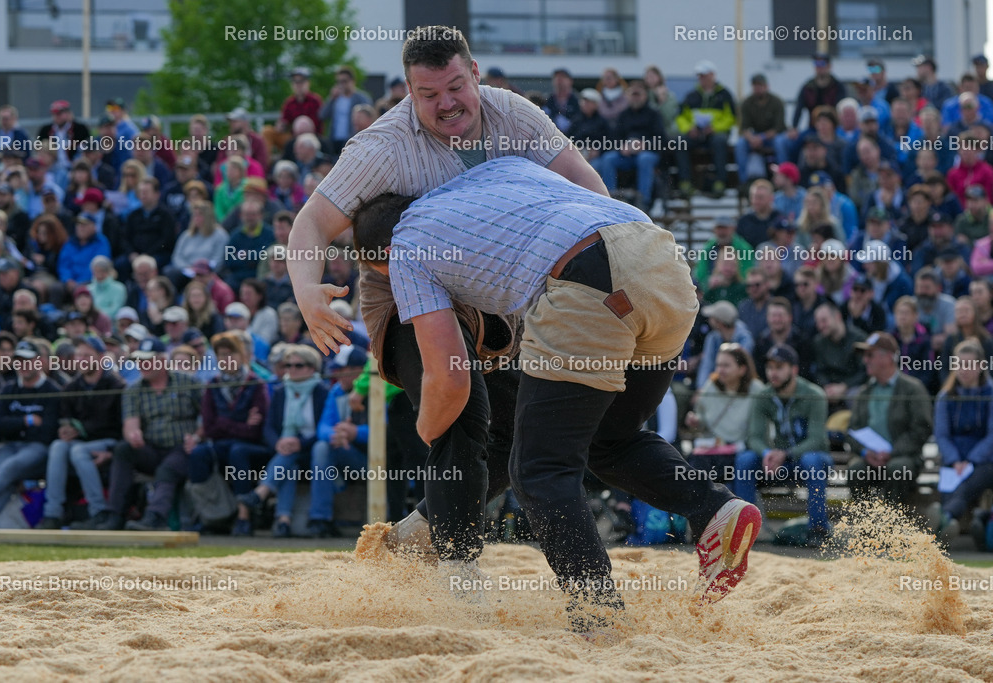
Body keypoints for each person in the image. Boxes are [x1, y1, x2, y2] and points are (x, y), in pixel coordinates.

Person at [350, 156, 760, 625]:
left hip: (590, 280)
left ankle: (598, 616)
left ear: (377, 259)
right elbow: (585, 182)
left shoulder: (403, 248)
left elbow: (449, 376)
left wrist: (430, 430)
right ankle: (714, 508)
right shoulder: (499, 170)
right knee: (611, 436)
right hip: (662, 262)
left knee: (540, 469)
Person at [288, 26, 607, 566]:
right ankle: (460, 574)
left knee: (528, 429)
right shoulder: (383, 146)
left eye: (455, 87)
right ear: (408, 93)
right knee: (458, 398)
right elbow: (311, 222)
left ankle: (425, 527)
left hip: (495, 295)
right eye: (428, 94)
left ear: (475, 73)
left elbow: (590, 191)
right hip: (404, 288)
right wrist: (307, 293)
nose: (446, 104)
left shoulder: (517, 116)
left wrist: (611, 262)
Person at [100, 338, 203, 530]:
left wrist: (198, 436)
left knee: (169, 468)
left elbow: (206, 416)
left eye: (147, 360)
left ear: (163, 360)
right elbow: (130, 422)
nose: (142, 365)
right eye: (139, 360)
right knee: (123, 449)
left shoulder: (189, 383)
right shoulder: (133, 389)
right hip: (151, 448)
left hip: (183, 447)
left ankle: (155, 517)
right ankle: (115, 514)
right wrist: (133, 434)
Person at [737, 344, 832, 546]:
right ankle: (745, 529)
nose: (773, 372)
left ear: (794, 370)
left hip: (811, 459)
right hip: (779, 462)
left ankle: (818, 529)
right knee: (745, 459)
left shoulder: (814, 395)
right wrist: (767, 453)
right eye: (770, 367)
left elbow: (816, 440)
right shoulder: (763, 395)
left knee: (811, 460)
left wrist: (786, 454)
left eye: (779, 367)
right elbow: (753, 437)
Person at [237, 344, 329, 538]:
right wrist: (278, 443)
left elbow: (323, 429)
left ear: (312, 368)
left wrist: (300, 443)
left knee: (290, 455)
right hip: (285, 450)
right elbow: (269, 427)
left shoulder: (322, 391)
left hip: (312, 451)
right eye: (288, 365)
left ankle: (261, 493)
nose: (291, 370)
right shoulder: (280, 391)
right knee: (289, 463)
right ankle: (283, 522)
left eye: (298, 365)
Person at [0, 340, 60, 528]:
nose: (23, 366)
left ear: (39, 361)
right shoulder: (8, 388)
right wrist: (27, 421)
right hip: (9, 445)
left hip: (37, 449)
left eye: (27, 360)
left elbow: (47, 431)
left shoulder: (52, 390)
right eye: (19, 361)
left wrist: (13, 425)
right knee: (4, 471)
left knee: (8, 468)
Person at [187, 332, 270, 535]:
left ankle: (244, 516)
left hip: (252, 448)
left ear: (242, 356)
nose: (226, 359)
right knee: (198, 455)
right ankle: (212, 515)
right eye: (221, 355)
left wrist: (224, 423)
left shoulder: (255, 384)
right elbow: (209, 427)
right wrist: (238, 423)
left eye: (230, 354)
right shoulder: (212, 385)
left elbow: (255, 431)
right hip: (221, 444)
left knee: (238, 451)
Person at [38, 336, 124, 529]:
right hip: (82, 441)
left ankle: (99, 511)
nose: (82, 360)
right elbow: (65, 418)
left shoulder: (117, 386)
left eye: (87, 355)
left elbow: (119, 426)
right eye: (78, 355)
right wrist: (66, 430)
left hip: (108, 441)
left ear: (101, 358)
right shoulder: (71, 387)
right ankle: (53, 513)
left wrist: (109, 451)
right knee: (58, 446)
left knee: (78, 452)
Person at [845, 332, 933, 505]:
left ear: (888, 358)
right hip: (870, 458)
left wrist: (892, 452)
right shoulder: (864, 392)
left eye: (870, 355)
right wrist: (865, 452)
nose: (865, 360)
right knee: (855, 471)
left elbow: (922, 429)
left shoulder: (913, 389)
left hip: (903, 457)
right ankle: (865, 527)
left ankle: (891, 526)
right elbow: (852, 430)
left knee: (897, 469)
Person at [932, 339, 993, 543]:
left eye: (969, 364)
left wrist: (971, 460)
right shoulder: (945, 396)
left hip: (984, 460)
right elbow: (941, 434)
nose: (963, 369)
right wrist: (954, 459)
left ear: (981, 366)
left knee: (965, 484)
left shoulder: (990, 394)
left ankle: (944, 518)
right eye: (959, 364)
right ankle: (946, 524)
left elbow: (992, 435)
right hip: (954, 458)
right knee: (953, 482)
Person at [306, 345, 369, 538]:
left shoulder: (378, 389)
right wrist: (337, 434)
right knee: (321, 446)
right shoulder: (336, 391)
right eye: (337, 370)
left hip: (379, 461)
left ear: (360, 369)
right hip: (347, 452)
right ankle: (320, 519)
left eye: (343, 369)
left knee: (322, 448)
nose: (338, 374)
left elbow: (388, 432)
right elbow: (323, 427)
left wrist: (355, 432)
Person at [685, 344, 764, 486]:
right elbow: (703, 418)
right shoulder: (711, 385)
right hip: (712, 449)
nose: (720, 370)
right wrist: (696, 421)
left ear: (742, 369)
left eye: (726, 365)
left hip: (741, 451)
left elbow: (759, 430)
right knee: (692, 469)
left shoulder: (757, 390)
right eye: (718, 365)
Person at [596, 81, 665, 212]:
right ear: (628, 96)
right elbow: (614, 137)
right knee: (607, 159)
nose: (636, 97)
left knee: (644, 159)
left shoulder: (654, 114)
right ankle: (610, 198)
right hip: (626, 155)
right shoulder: (623, 115)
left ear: (645, 95)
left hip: (648, 153)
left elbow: (662, 139)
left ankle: (643, 201)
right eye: (633, 94)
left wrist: (645, 145)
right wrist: (622, 147)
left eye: (638, 94)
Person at [675, 60, 736, 198]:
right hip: (696, 133)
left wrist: (714, 128)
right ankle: (685, 181)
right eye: (700, 76)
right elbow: (680, 117)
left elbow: (731, 118)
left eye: (704, 75)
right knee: (681, 142)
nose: (701, 78)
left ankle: (720, 181)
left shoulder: (725, 94)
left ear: (712, 75)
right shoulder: (691, 95)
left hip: (715, 134)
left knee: (719, 142)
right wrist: (689, 128)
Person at [812, 301, 867, 406]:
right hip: (829, 389)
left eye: (824, 321)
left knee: (855, 397)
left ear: (837, 316)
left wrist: (844, 386)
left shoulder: (859, 338)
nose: (820, 326)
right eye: (817, 322)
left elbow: (864, 371)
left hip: (853, 386)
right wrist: (827, 387)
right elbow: (820, 371)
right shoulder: (818, 342)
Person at [736, 74, 786, 185]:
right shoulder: (747, 103)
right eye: (755, 86)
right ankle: (743, 181)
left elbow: (779, 127)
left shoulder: (776, 102)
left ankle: (783, 177)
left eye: (760, 86)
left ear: (766, 86)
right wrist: (752, 138)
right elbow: (744, 127)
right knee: (740, 144)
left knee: (781, 143)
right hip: (755, 136)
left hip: (772, 137)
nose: (758, 89)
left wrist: (762, 138)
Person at [695, 300, 754, 390]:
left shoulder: (745, 338)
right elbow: (707, 364)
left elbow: (743, 366)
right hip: (718, 384)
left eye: (712, 318)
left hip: (742, 386)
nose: (709, 320)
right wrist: (701, 389)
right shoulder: (713, 337)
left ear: (719, 323)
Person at [320, 66, 372, 153]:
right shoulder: (335, 98)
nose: (341, 84)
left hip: (353, 139)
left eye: (344, 81)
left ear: (352, 81)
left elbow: (369, 117)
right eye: (338, 82)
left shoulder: (361, 98)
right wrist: (331, 98)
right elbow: (322, 115)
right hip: (334, 139)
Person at [737, 180, 781, 247]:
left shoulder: (779, 219)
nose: (756, 201)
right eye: (753, 197)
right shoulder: (743, 221)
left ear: (771, 198)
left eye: (760, 197)